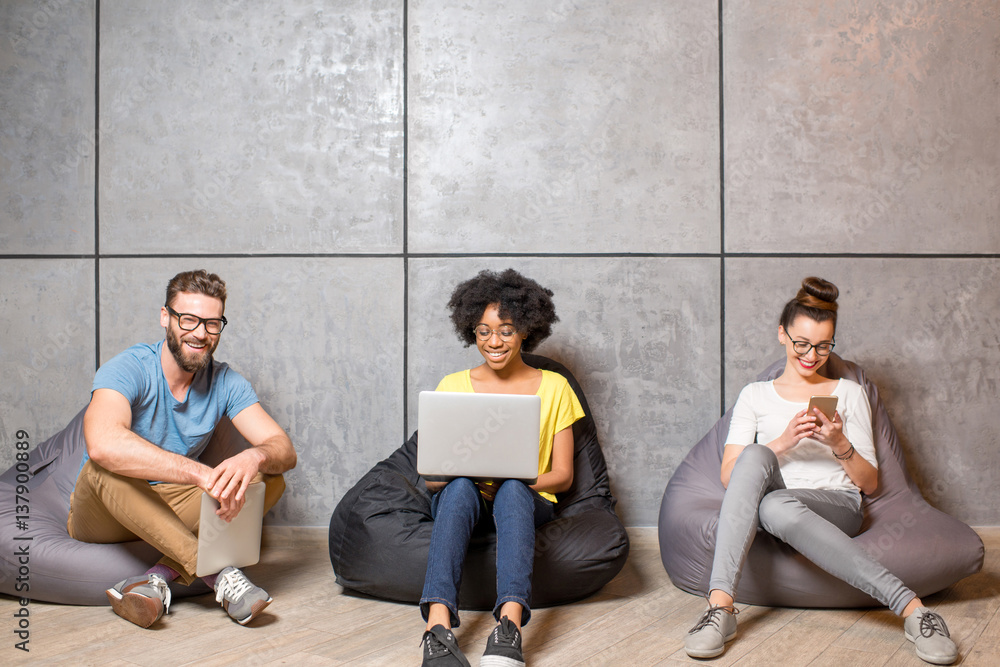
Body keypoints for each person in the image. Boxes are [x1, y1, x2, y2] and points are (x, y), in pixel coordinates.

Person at [684, 277, 958, 665]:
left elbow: (869, 483)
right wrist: (782, 441)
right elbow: (732, 477)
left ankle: (914, 611)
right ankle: (720, 609)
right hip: (770, 503)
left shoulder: (847, 392)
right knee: (760, 470)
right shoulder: (754, 395)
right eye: (802, 344)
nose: (812, 355)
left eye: (824, 345)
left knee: (774, 505)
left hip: (838, 505)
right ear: (782, 335)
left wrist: (838, 443)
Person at [67, 270, 297, 628]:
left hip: (170, 502)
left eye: (212, 323)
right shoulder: (130, 367)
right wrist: (200, 473)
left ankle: (155, 579)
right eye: (188, 319)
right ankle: (219, 577)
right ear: (165, 317)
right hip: (104, 511)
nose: (200, 333)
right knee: (101, 467)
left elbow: (283, 449)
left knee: (270, 479)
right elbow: (102, 444)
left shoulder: (225, 381)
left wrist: (256, 455)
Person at [418, 269, 585, 667]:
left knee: (512, 488)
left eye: (506, 330)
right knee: (457, 486)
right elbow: (432, 478)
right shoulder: (452, 385)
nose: (494, 341)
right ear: (471, 332)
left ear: (526, 330)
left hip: (526, 498)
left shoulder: (555, 386)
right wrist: (476, 477)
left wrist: (512, 478)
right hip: (465, 497)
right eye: (483, 331)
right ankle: (436, 629)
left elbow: (563, 475)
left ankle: (508, 627)